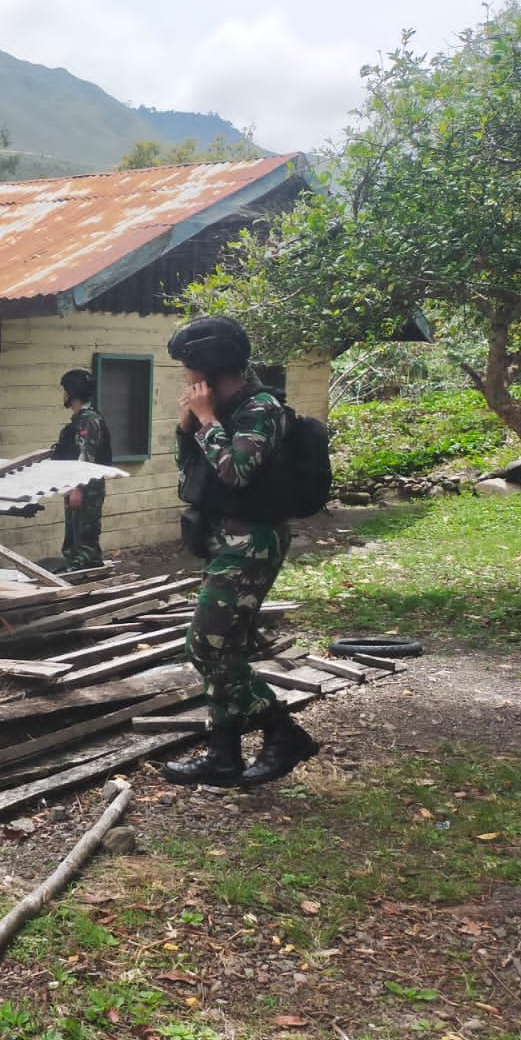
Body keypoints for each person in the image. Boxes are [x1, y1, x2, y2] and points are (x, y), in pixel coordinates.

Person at [160, 316, 319, 787]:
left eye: (188, 367)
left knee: (206, 647)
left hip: (252, 542)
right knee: (220, 649)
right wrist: (192, 423)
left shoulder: (260, 409)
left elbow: (237, 473)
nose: (185, 376)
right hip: (224, 540)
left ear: (208, 368)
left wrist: (208, 421)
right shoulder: (223, 409)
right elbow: (192, 474)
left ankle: (282, 731)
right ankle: (223, 756)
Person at [52, 368, 113, 570]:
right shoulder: (80, 420)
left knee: (84, 530)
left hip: (87, 486)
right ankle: (76, 563)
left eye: (65, 391)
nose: (63, 395)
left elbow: (85, 455)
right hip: (75, 484)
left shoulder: (89, 420)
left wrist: (78, 488)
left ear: (71, 393)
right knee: (74, 529)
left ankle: (86, 568)